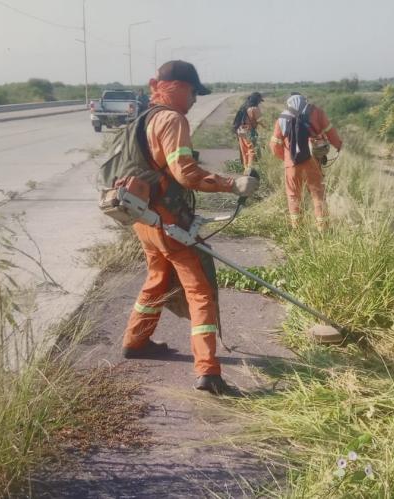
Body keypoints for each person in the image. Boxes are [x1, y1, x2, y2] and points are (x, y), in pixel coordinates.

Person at [120, 60, 260, 394]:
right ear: (172, 86)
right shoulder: (172, 118)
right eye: (193, 90)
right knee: (199, 291)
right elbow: (185, 173)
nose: (195, 98)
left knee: (157, 281)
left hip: (144, 218)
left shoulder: (143, 118)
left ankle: (135, 341)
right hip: (167, 221)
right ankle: (209, 372)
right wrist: (234, 184)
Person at [270, 94, 343, 229]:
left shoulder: (282, 117)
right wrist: (338, 145)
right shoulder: (317, 112)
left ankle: (297, 229)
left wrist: (286, 159)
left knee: (293, 196)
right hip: (313, 162)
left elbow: (274, 146)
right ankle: (323, 229)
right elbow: (330, 132)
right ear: (305, 101)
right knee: (318, 195)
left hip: (291, 164)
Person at [232, 92, 264, 172]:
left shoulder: (244, 106)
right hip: (249, 131)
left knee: (244, 151)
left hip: (240, 131)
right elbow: (261, 121)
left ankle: (245, 169)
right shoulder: (254, 109)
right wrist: (269, 128)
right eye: (259, 100)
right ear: (256, 100)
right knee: (252, 151)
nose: (260, 102)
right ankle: (250, 170)